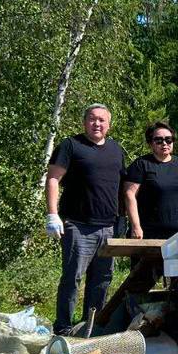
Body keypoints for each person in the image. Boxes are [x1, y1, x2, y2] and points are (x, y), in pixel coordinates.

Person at [45, 103, 128, 333]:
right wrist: (52, 214)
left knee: (101, 281)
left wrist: (122, 219)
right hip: (78, 226)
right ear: (85, 122)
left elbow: (122, 188)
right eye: (92, 119)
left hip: (108, 228)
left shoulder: (116, 150)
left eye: (102, 120)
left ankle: (91, 328)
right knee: (72, 279)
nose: (97, 124)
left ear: (109, 125)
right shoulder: (71, 145)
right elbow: (53, 179)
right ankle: (63, 328)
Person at [121, 122, 178, 294]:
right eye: (159, 140)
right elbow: (129, 194)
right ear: (150, 143)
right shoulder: (141, 164)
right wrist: (135, 226)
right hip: (149, 233)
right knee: (140, 282)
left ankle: (175, 318)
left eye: (168, 140)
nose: (164, 144)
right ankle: (134, 317)